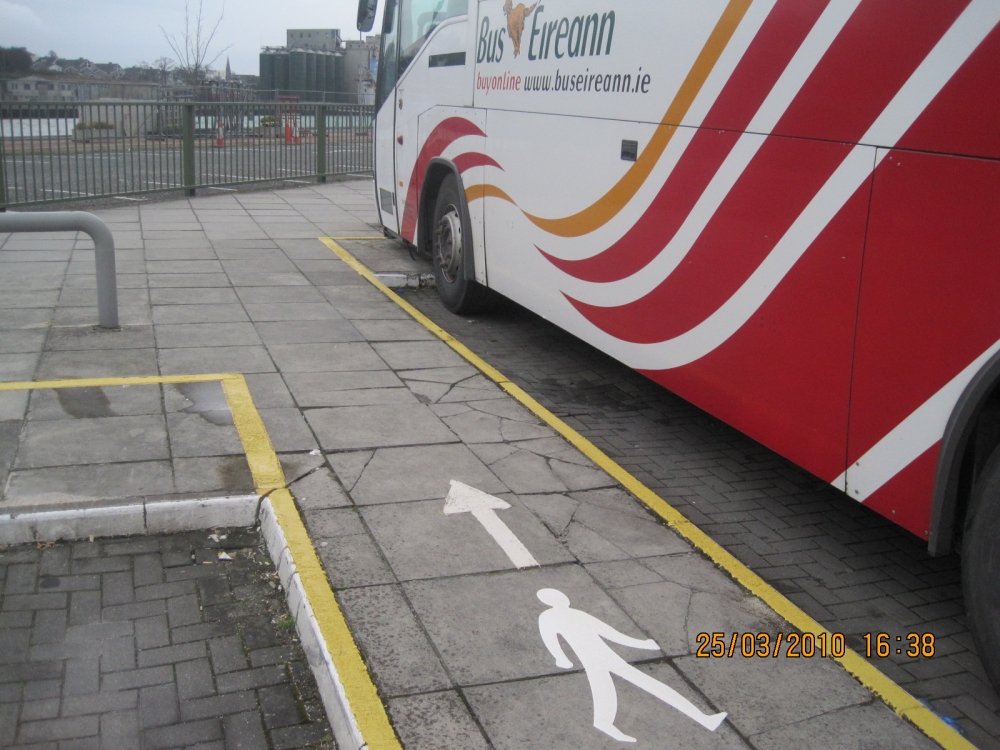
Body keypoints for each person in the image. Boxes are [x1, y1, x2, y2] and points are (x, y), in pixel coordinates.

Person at [537, 588, 727, 741]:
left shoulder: (569, 614)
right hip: (597, 659)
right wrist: (560, 657)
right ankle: (703, 719)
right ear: (554, 600)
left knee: (606, 693)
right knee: (642, 688)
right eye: (559, 596)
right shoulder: (550, 617)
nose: (563, 598)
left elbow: (609, 633)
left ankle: (603, 723)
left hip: (603, 657)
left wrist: (642, 644)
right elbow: (551, 639)